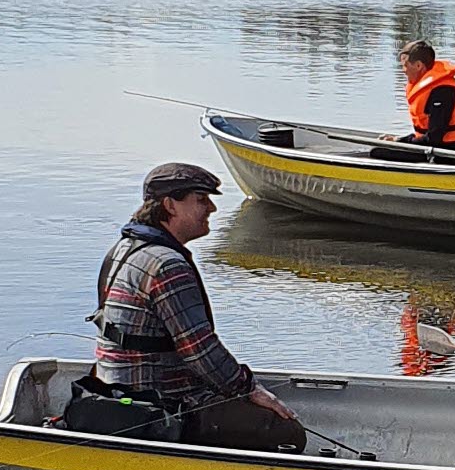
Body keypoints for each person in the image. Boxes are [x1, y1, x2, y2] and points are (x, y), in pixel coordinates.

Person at [88, 161, 305, 452]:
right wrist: (250, 388)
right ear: (170, 205)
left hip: (114, 387)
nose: (212, 209)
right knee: (286, 433)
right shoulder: (167, 265)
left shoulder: (124, 249)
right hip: (156, 402)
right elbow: (200, 350)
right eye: (201, 200)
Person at [370, 39, 455, 163]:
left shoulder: (442, 91)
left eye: (405, 65)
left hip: (451, 153)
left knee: (377, 152)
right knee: (382, 146)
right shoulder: (431, 86)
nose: (403, 70)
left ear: (418, 65)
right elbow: (428, 136)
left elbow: (433, 138)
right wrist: (398, 139)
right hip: (437, 146)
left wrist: (400, 141)